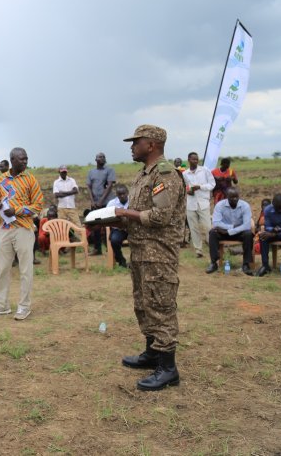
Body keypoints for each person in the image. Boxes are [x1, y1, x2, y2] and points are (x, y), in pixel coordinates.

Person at [113, 124, 186, 391]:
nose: (132, 146)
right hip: (142, 250)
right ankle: (152, 353)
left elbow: (160, 216)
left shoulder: (166, 174)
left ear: (152, 145)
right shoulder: (144, 174)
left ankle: (168, 368)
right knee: (143, 303)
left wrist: (125, 214)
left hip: (159, 254)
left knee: (161, 306)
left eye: (136, 142)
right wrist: (118, 220)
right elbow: (141, 213)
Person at [0, 147, 44, 321]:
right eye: (22, 159)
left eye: (26, 159)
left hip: (23, 229)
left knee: (25, 270)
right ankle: (1, 304)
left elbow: (38, 205)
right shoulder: (1, 179)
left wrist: (16, 211)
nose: (25, 162)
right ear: (12, 160)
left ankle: (24, 306)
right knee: (3, 268)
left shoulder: (30, 179)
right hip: (4, 229)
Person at [205, 187, 254, 275]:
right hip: (224, 232)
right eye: (232, 197)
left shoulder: (245, 206)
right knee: (213, 233)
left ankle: (246, 264)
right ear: (227, 197)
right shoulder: (220, 205)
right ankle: (213, 263)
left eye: (236, 197)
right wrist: (231, 226)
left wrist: (229, 231)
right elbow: (216, 223)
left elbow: (247, 225)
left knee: (248, 234)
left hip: (238, 232)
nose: (235, 199)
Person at [182, 152, 215, 258]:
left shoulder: (204, 170)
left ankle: (212, 246)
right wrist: (188, 191)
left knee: (208, 227)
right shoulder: (185, 174)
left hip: (203, 203)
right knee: (194, 228)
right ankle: (198, 251)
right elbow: (184, 187)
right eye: (193, 159)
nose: (195, 161)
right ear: (188, 160)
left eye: (197, 159)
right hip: (190, 204)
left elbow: (212, 184)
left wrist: (200, 187)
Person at [86, 152, 116, 255]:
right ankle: (97, 249)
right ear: (96, 159)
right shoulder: (91, 172)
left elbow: (110, 185)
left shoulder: (109, 170)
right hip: (95, 203)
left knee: (109, 225)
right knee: (96, 227)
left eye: (103, 157)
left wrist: (101, 201)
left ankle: (110, 248)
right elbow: (89, 187)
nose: (102, 158)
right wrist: (93, 201)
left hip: (107, 202)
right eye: (99, 157)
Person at [106, 184, 130, 268]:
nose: (122, 196)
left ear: (127, 193)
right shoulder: (111, 204)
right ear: (117, 195)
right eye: (120, 194)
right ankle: (121, 261)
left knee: (139, 239)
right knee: (114, 240)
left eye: (124, 193)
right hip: (118, 229)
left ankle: (134, 262)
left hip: (131, 228)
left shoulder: (133, 200)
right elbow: (107, 217)